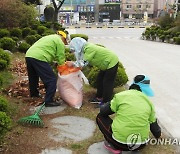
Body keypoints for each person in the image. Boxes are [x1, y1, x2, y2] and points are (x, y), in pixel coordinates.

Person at [96, 75, 161, 153]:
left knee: (100, 116)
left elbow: (103, 111)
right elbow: (155, 128)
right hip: (141, 145)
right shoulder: (149, 103)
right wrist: (158, 136)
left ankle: (113, 146)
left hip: (119, 143)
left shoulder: (121, 96)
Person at [69, 37, 119, 106]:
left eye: (74, 49)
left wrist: (72, 64)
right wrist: (74, 64)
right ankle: (99, 97)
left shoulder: (89, 48)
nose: (74, 51)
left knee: (107, 83)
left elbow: (83, 62)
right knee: (99, 80)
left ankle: (106, 102)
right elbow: (81, 62)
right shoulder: (84, 49)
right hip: (105, 64)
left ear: (78, 45)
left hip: (111, 62)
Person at [25, 31, 68, 107]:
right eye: (65, 41)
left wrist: (53, 62)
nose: (65, 43)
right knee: (51, 79)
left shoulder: (49, 37)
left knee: (33, 77)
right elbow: (60, 57)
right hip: (39, 58)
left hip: (29, 55)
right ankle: (49, 101)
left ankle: (34, 94)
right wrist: (63, 69)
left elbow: (46, 51)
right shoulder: (59, 41)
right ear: (63, 38)